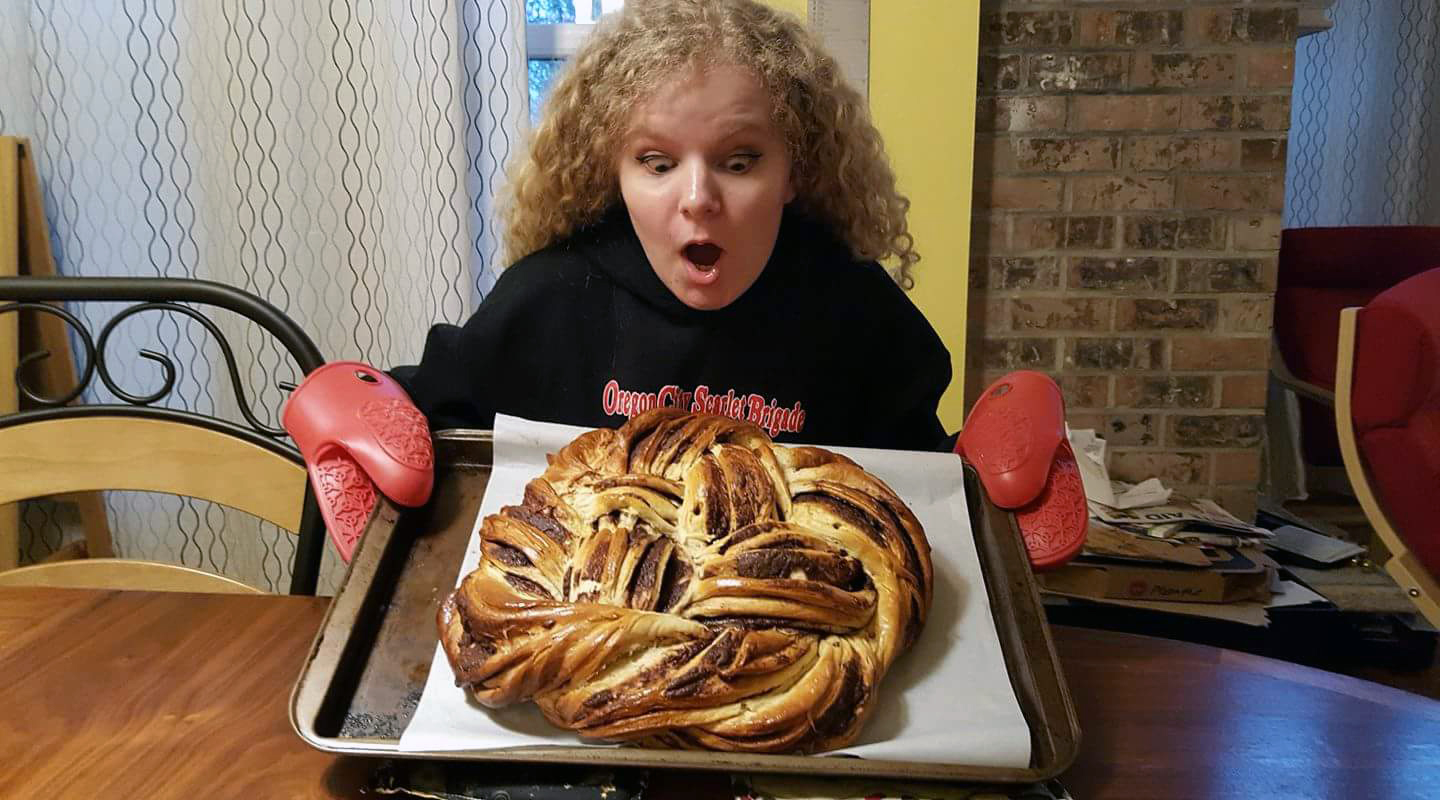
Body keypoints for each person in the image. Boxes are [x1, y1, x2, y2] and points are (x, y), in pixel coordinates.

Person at [390, 0, 953, 452]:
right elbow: (434, 411)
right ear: (614, 173)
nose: (698, 199)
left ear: (794, 171)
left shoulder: (854, 310)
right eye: (657, 164)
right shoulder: (549, 298)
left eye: (739, 162)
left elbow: (929, 475)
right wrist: (367, 405)